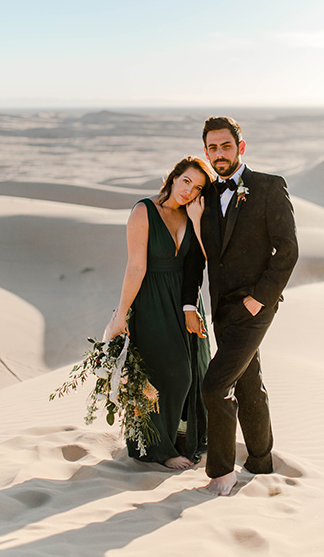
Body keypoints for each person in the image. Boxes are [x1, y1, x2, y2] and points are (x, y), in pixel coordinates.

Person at [183, 116, 298, 495]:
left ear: (241, 148)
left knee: (215, 386)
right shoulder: (205, 199)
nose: (219, 154)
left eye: (225, 146)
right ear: (205, 152)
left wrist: (259, 298)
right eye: (212, 148)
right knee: (249, 382)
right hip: (222, 310)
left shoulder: (267, 187)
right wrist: (190, 303)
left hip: (255, 308)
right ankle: (261, 462)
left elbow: (288, 250)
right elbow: (202, 258)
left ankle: (221, 473)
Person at [104, 156, 214, 469]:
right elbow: (136, 266)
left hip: (187, 301)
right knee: (172, 374)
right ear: (174, 177)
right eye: (186, 181)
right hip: (153, 299)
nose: (189, 191)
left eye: (197, 188)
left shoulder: (194, 213)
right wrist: (121, 313)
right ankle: (158, 449)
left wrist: (196, 221)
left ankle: (185, 439)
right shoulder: (144, 211)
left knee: (197, 372)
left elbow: (207, 257)